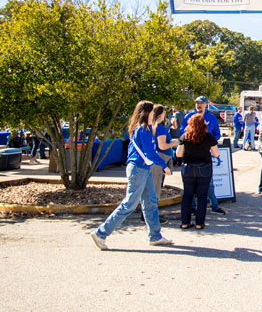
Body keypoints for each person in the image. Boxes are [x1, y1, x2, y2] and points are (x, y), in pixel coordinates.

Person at [91, 101, 172, 250]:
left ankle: (155, 236)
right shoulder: (144, 130)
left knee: (150, 202)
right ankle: (101, 233)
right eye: (152, 111)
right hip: (139, 169)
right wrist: (164, 165)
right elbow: (150, 153)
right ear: (147, 113)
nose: (155, 114)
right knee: (130, 204)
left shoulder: (141, 129)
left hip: (143, 169)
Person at [180, 96, 225, 215]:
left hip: (205, 155)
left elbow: (217, 134)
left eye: (201, 103)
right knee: (189, 186)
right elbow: (181, 133)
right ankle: (192, 207)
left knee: (209, 183)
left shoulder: (211, 118)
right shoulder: (188, 117)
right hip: (190, 155)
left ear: (206, 105)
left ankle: (214, 206)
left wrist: (209, 142)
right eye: (197, 103)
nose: (199, 105)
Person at [176, 113, 219, 229]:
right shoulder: (208, 136)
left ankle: (185, 222)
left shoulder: (185, 136)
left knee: (187, 195)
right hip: (204, 168)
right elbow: (216, 153)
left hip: (188, 168)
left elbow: (178, 154)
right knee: (202, 196)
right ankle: (199, 223)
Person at [150, 105, 178, 216]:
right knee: (156, 186)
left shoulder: (152, 126)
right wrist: (174, 143)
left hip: (155, 158)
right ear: (160, 114)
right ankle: (152, 216)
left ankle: (149, 214)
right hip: (160, 158)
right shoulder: (159, 128)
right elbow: (162, 146)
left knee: (153, 186)